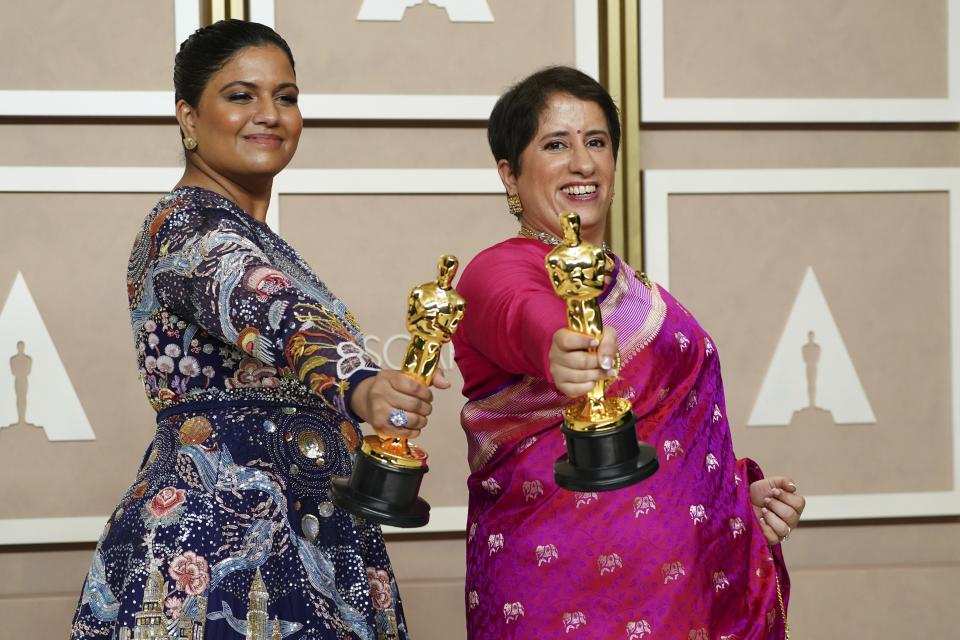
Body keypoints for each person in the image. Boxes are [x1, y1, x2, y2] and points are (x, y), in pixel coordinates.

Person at [69, 20, 442, 640]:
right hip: (217, 553)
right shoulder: (183, 227)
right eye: (241, 95)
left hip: (311, 535)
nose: (269, 114)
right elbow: (261, 303)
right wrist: (360, 382)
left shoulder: (258, 237)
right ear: (188, 117)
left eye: (286, 97)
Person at [452, 66, 806, 639]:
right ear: (509, 175)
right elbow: (522, 313)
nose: (583, 162)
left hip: (682, 600)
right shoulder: (497, 270)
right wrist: (562, 347)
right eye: (555, 144)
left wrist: (729, 502)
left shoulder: (636, 289)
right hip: (555, 597)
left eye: (596, 142)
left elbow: (664, 446)